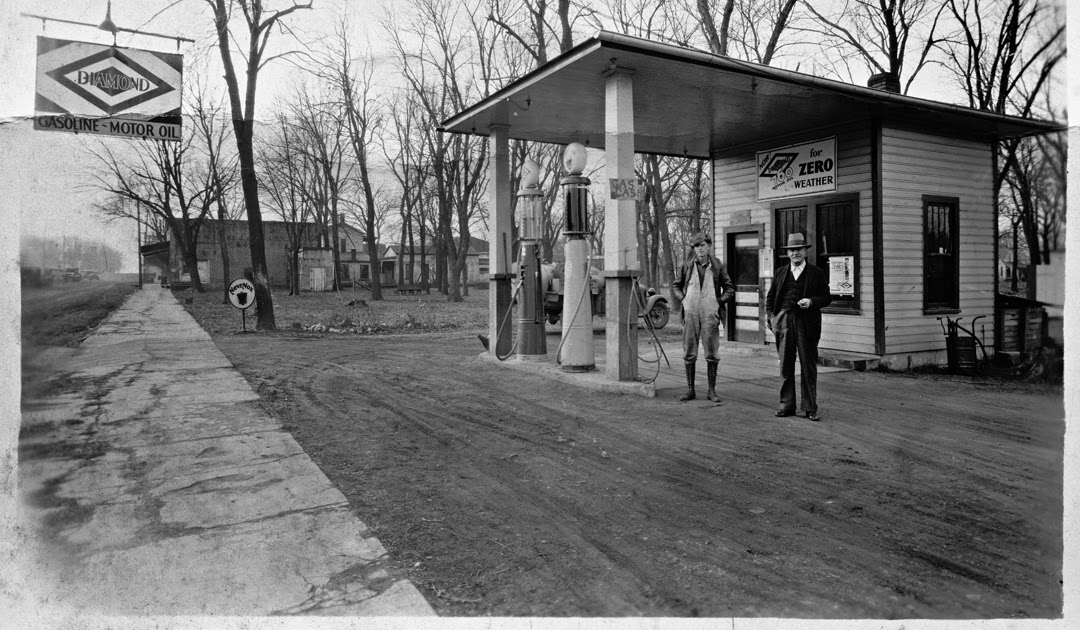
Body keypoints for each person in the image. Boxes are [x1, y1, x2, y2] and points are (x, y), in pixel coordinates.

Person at [765, 233, 833, 421]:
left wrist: (811, 301)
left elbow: (827, 297)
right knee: (785, 366)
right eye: (792, 250)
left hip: (807, 324)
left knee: (808, 366)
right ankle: (787, 405)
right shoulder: (780, 273)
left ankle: (810, 407)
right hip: (785, 322)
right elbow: (770, 298)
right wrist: (772, 317)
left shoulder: (816, 273)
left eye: (799, 250)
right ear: (788, 253)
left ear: (805, 251)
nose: (795, 253)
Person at [671, 231, 735, 402]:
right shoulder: (686, 266)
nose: (700, 249)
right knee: (689, 351)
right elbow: (676, 286)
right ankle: (690, 390)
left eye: (703, 245)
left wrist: (719, 302)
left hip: (709, 313)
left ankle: (711, 391)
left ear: (709, 246)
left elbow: (730, 288)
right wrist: (682, 299)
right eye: (697, 246)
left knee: (712, 352)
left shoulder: (717, 265)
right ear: (694, 248)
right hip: (690, 312)